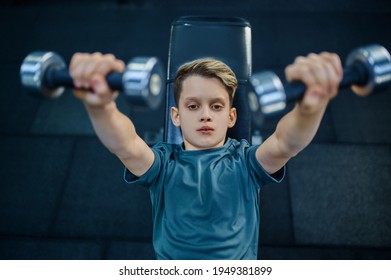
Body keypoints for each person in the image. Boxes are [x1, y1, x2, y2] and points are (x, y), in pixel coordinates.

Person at [70, 50, 344, 259]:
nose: (205, 115)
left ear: (231, 117)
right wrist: (101, 108)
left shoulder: (245, 162)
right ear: (176, 116)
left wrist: (310, 109)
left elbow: (286, 143)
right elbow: (125, 144)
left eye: (216, 106)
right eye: (192, 106)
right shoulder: (164, 164)